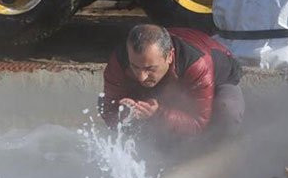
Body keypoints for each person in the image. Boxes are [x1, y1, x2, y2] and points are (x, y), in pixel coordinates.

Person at [100, 24, 244, 141]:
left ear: (169, 56)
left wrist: (159, 113)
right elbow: (108, 109)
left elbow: (199, 123)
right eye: (135, 67)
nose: (142, 77)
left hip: (217, 81)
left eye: (150, 68)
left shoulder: (197, 63)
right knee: (104, 102)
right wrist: (125, 112)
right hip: (168, 86)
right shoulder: (119, 61)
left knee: (227, 111)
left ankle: (216, 155)